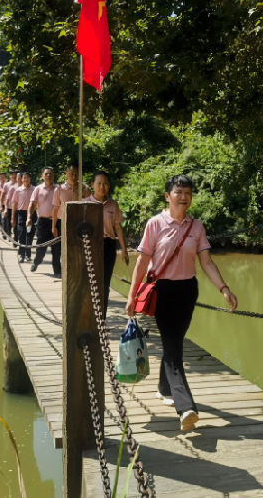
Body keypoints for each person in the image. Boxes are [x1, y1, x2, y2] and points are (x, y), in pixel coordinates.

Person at [125, 174, 238, 431]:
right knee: (174, 348)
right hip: (162, 292)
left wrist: (224, 288)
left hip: (187, 291)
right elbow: (142, 262)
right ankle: (186, 407)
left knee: (174, 343)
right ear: (168, 196)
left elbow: (206, 262)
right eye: (178, 192)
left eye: (188, 193)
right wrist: (132, 295)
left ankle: (164, 387)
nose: (183, 197)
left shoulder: (196, 227)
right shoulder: (155, 224)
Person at [84, 170, 129, 315]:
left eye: (105, 184)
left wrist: (124, 249)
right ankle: (88, 316)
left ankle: (101, 316)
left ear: (109, 186)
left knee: (104, 282)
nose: (102, 187)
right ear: (92, 185)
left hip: (108, 245)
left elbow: (118, 228)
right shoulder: (84, 204)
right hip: (90, 245)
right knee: (90, 281)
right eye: (99, 183)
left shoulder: (113, 205)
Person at [51, 164, 89, 279]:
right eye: (71, 173)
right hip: (62, 222)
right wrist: (53, 226)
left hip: (78, 223)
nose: (73, 176)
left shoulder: (84, 188)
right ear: (66, 174)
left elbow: (89, 206)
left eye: (76, 174)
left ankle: (75, 272)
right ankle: (58, 271)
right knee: (59, 248)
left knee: (77, 248)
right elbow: (55, 208)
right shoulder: (59, 189)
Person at [27, 167, 57, 274]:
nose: (48, 176)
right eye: (46, 174)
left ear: (53, 176)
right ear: (42, 176)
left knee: (57, 247)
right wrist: (29, 217)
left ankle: (57, 270)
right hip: (42, 222)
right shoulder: (38, 189)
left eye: (50, 174)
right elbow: (32, 204)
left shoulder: (58, 189)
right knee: (41, 246)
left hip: (56, 222)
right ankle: (36, 262)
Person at [11, 172, 34, 262]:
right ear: (21, 179)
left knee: (30, 235)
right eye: (24, 178)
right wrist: (13, 217)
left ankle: (28, 255)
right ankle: (21, 254)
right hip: (21, 214)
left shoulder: (34, 189)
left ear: (30, 179)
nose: (25, 179)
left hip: (32, 214)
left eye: (27, 177)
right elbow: (14, 204)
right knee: (21, 234)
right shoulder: (18, 190)